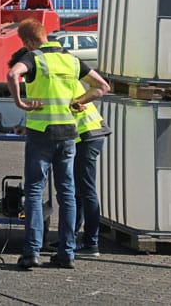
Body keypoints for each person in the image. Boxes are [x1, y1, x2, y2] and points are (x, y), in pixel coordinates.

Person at [7, 19, 109, 270]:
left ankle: (32, 252)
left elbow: (12, 74)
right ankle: (67, 253)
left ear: (29, 42)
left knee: (33, 192)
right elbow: (102, 87)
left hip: (41, 135)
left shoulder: (35, 58)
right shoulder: (71, 60)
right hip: (68, 137)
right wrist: (79, 101)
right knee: (67, 195)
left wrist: (20, 103)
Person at [72, 83, 111, 257]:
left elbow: (103, 86)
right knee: (77, 190)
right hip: (87, 135)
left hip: (88, 135)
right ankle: (70, 238)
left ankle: (91, 243)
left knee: (86, 190)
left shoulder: (57, 81)